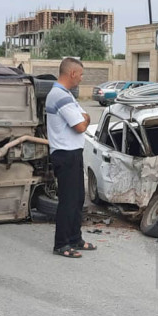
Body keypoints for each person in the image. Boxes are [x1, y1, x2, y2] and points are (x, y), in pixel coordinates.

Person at [45, 57, 97, 258]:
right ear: (72, 73)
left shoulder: (66, 94)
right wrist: (84, 120)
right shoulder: (61, 96)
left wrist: (84, 119)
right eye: (81, 74)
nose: (82, 79)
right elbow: (80, 125)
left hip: (73, 153)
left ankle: (75, 238)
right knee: (68, 201)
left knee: (77, 199)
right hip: (65, 155)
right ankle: (62, 244)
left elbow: (85, 115)